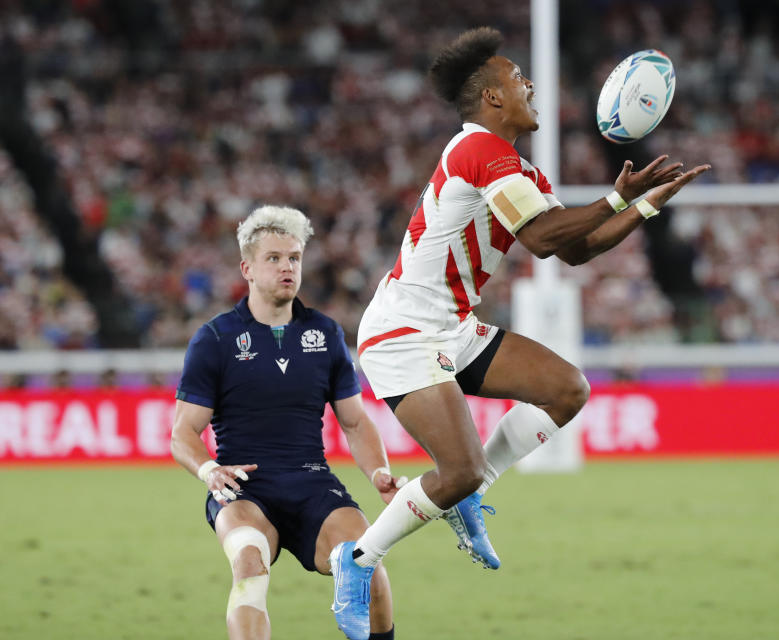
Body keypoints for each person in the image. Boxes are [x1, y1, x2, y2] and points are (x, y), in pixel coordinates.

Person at [327, 26, 711, 632]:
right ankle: (358, 560)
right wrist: (614, 200)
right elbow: (543, 236)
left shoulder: (521, 173)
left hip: (451, 326)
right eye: (517, 79)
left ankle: (471, 492)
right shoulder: (476, 150)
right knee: (455, 471)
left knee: (567, 390)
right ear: (492, 99)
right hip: (402, 332)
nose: (529, 85)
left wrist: (643, 206)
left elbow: (574, 250)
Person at [170, 205, 401, 640]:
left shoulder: (326, 334)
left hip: (312, 481)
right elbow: (183, 432)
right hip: (243, 488)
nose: (286, 267)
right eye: (273, 258)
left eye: (293, 257)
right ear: (248, 268)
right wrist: (209, 470)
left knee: (366, 566)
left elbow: (354, 422)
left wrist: (379, 473)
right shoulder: (215, 339)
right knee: (249, 566)